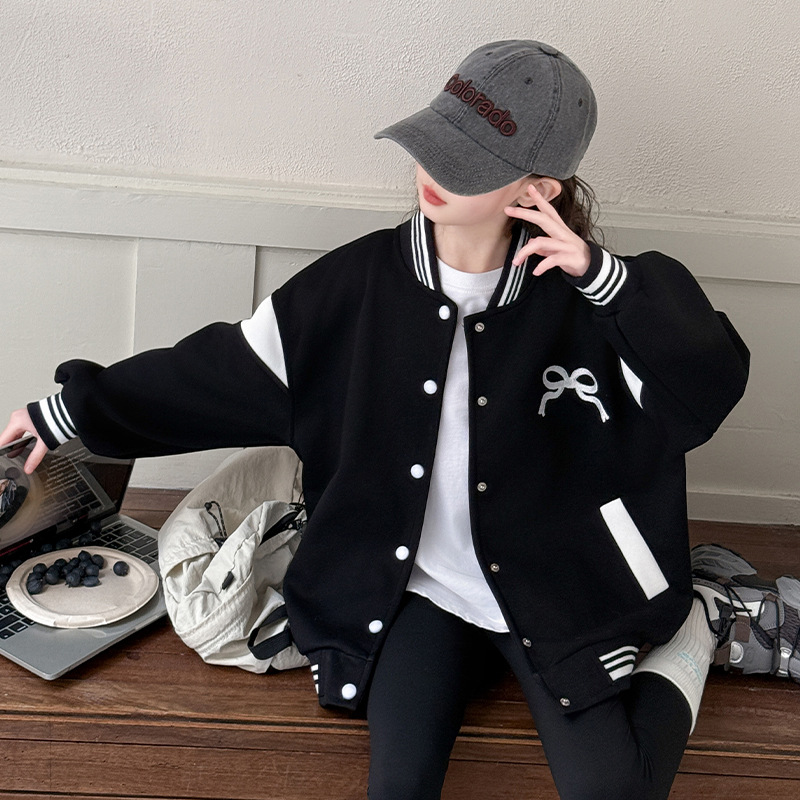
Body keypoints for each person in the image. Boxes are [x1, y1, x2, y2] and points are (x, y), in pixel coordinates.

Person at [0, 40, 756, 799]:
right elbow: (217, 374)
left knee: (617, 789)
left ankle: (700, 618)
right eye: (433, 143)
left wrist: (604, 280)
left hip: (562, 590)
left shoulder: (600, 299)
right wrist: (68, 412)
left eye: (465, 163)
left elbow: (706, 389)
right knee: (398, 784)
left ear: (536, 190)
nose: (431, 171)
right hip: (418, 587)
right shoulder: (350, 288)